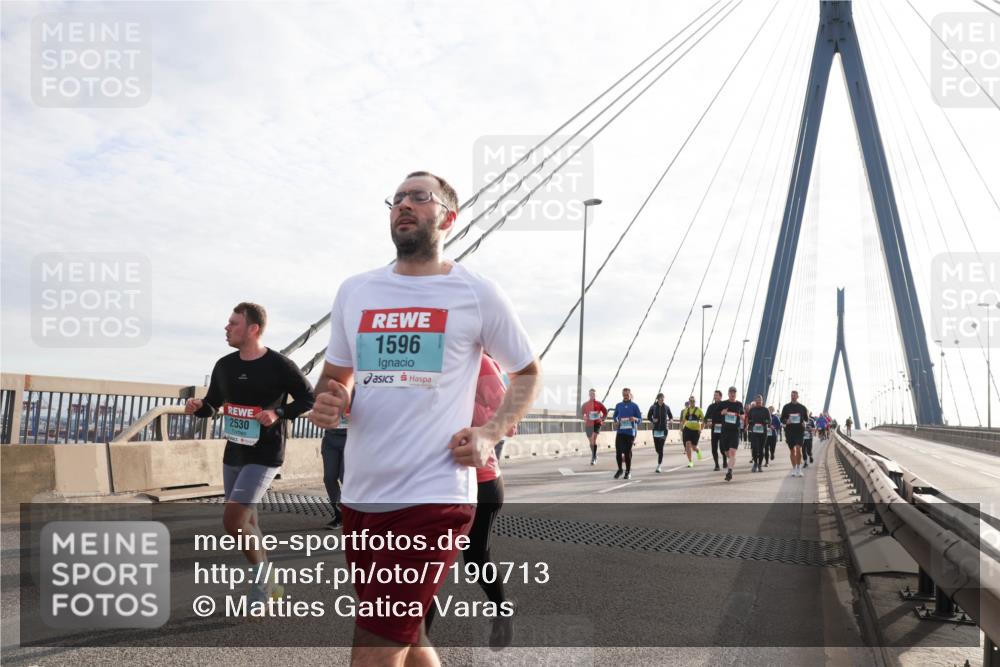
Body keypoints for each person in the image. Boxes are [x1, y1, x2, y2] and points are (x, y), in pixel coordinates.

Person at [308, 171, 541, 665]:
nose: (404, 205)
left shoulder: (477, 292)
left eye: (419, 197)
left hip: (433, 496)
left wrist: (490, 432)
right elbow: (336, 376)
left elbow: (526, 372)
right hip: (363, 493)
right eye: (396, 199)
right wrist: (331, 399)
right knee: (408, 636)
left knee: (374, 646)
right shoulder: (355, 291)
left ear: (449, 218)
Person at [185, 302, 315, 604]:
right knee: (249, 523)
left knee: (233, 521)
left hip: (266, 453)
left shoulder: (279, 364)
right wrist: (197, 408)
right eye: (228, 323)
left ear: (253, 329)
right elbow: (211, 405)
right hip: (234, 452)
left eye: (234, 323)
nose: (227, 328)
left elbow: (309, 397)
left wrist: (278, 412)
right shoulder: (225, 365)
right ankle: (271, 582)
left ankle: (260, 587)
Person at [426, 353, 516, 649]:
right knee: (426, 566)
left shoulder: (481, 362)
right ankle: (416, 644)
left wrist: (461, 406)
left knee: (475, 559)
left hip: (481, 483)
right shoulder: (424, 358)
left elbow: (510, 422)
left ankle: (503, 611)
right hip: (433, 483)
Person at [613, 388, 643, 480]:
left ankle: (628, 472)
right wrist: (616, 421)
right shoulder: (618, 405)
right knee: (618, 452)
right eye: (624, 395)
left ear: (630, 395)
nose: (625, 396)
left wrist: (635, 419)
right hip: (620, 431)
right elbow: (615, 416)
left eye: (627, 395)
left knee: (627, 452)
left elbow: (640, 419)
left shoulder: (634, 406)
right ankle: (620, 469)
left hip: (630, 433)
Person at [321, 426, 347, 529]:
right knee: (329, 478)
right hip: (330, 438)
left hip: (352, 438)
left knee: (345, 477)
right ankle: (340, 515)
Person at [781, 390, 809, 478]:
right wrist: (786, 421)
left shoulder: (802, 407)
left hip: (799, 431)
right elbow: (782, 419)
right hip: (789, 432)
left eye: (794, 395)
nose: (793, 397)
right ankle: (794, 468)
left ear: (797, 397)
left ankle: (799, 468)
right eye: (792, 395)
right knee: (792, 450)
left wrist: (804, 423)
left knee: (798, 448)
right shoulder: (786, 407)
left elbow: (806, 419)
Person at [718, 386, 744, 482]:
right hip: (725, 432)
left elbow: (743, 414)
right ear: (728, 393)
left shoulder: (739, 404)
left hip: (734, 432)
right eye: (731, 392)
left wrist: (741, 416)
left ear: (735, 394)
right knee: (727, 453)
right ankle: (731, 461)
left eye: (734, 392)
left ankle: (729, 471)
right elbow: (717, 413)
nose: (733, 394)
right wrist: (722, 412)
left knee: (732, 452)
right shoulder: (723, 403)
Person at [647, 393, 674, 473]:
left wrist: (671, 420)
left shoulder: (666, 407)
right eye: (661, 399)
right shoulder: (653, 407)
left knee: (661, 447)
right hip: (655, 430)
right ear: (658, 399)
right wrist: (652, 420)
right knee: (657, 448)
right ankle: (660, 455)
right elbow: (648, 416)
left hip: (664, 430)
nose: (662, 400)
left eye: (663, 399)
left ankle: (659, 466)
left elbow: (671, 416)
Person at [582, 388, 608, 465]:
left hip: (597, 423)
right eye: (591, 394)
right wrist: (583, 417)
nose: (592, 395)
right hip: (588, 424)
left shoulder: (599, 404)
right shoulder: (585, 404)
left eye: (593, 394)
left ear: (595, 395)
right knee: (591, 442)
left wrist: (602, 419)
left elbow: (605, 412)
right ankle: (594, 454)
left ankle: (593, 457)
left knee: (593, 439)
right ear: (589, 395)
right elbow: (580, 414)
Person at [746, 395, 770, 473]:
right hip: (754, 432)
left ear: (762, 401)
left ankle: (760, 465)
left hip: (763, 432)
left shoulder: (765, 410)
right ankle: (755, 464)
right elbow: (748, 419)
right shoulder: (752, 410)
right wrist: (750, 423)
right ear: (755, 401)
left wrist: (765, 422)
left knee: (761, 449)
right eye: (757, 401)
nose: (758, 402)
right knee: (755, 449)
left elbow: (769, 420)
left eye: (760, 401)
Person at [679, 395, 704, 469]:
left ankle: (698, 451)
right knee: (687, 444)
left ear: (695, 402)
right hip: (687, 429)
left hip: (696, 430)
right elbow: (683, 420)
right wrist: (681, 427)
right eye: (690, 401)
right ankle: (690, 461)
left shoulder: (699, 410)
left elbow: (703, 420)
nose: (692, 402)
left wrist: (701, 429)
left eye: (693, 401)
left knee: (693, 447)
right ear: (689, 402)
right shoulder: (686, 410)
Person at [702, 390, 724, 471]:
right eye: (714, 395)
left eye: (717, 395)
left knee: (722, 448)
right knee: (714, 448)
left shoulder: (724, 405)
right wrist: (707, 422)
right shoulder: (711, 406)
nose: (715, 396)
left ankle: (724, 460)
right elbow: (705, 418)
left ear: (720, 397)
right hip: (714, 429)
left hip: (722, 429)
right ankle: (717, 465)